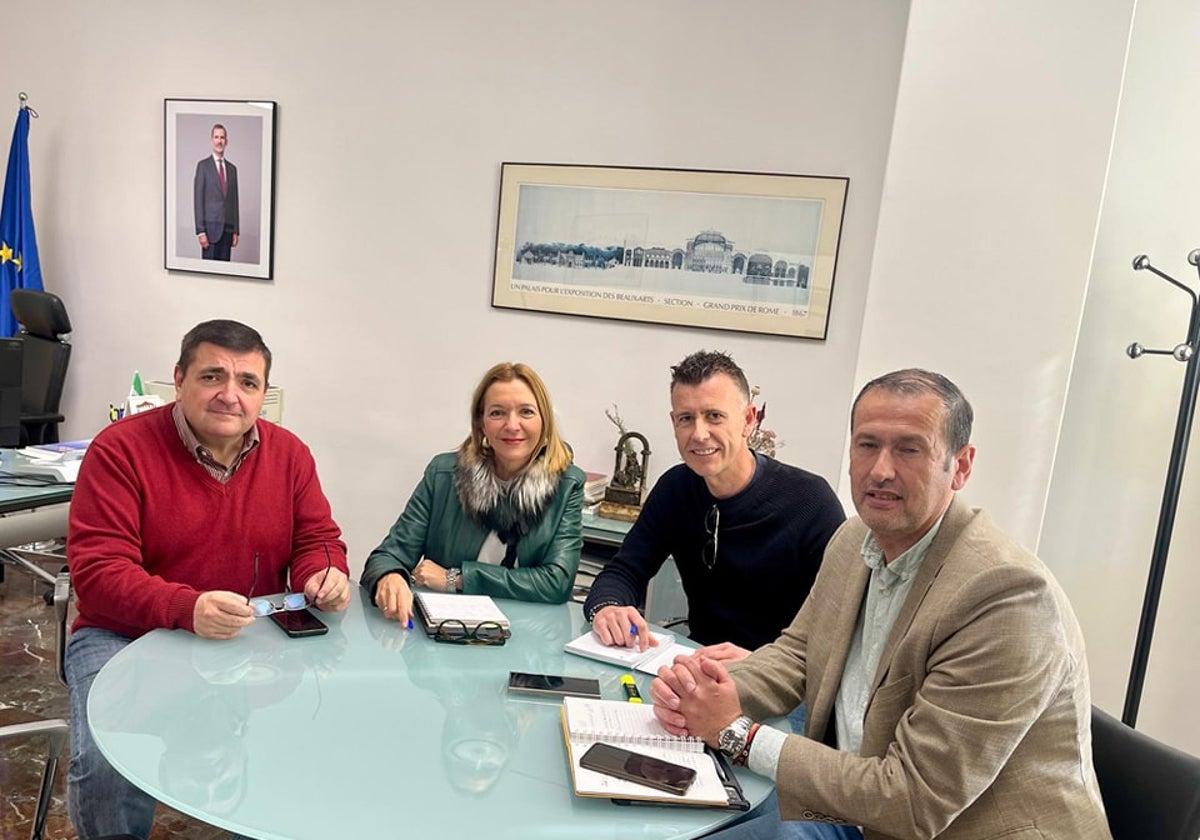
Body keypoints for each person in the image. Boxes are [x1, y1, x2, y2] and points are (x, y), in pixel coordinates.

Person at [651, 369, 1111, 840]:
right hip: (849, 803)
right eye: (867, 445)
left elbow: (912, 802)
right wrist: (699, 692)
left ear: (962, 465)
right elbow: (798, 654)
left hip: (933, 826)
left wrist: (735, 733)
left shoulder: (1005, 596)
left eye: (909, 449)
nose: (881, 470)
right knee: (668, 823)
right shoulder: (856, 540)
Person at [65, 319, 351, 840]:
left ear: (264, 394)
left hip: (244, 632)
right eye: (212, 376)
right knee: (108, 763)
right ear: (178, 380)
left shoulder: (290, 455)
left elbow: (319, 539)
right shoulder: (119, 451)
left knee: (301, 740)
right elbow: (98, 572)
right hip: (122, 633)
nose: (230, 396)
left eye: (247, 383)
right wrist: (185, 608)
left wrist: (324, 574)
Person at [583, 350, 844, 659]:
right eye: (686, 418)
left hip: (783, 684)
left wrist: (762, 666)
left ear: (748, 420)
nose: (699, 434)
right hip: (700, 666)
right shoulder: (675, 489)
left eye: (714, 416)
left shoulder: (810, 501)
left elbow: (839, 630)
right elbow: (624, 570)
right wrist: (608, 608)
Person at [362, 362, 585, 625]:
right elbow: (388, 556)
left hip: (528, 635)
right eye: (497, 413)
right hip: (445, 633)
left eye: (526, 412)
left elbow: (556, 582)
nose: (512, 425)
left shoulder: (568, 484)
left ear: (544, 421)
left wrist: (457, 579)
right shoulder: (443, 474)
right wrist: (390, 576)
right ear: (481, 423)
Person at [193, 123, 239, 261]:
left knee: (225, 274)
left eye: (222, 137)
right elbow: (198, 201)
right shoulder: (203, 166)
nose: (220, 141)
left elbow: (234, 202)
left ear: (227, 141)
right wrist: (201, 231)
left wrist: (235, 230)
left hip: (227, 232)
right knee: (209, 275)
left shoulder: (232, 169)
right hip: (209, 232)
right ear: (211, 140)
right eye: (216, 137)